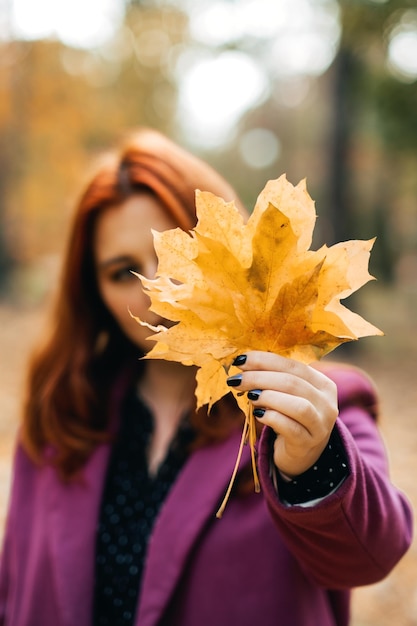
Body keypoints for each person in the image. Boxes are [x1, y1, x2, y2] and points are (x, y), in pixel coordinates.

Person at [0, 128, 412, 626]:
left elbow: (370, 556)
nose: (156, 290)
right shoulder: (61, 419)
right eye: (121, 271)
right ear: (93, 294)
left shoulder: (318, 409)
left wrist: (311, 462)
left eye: (178, 255)